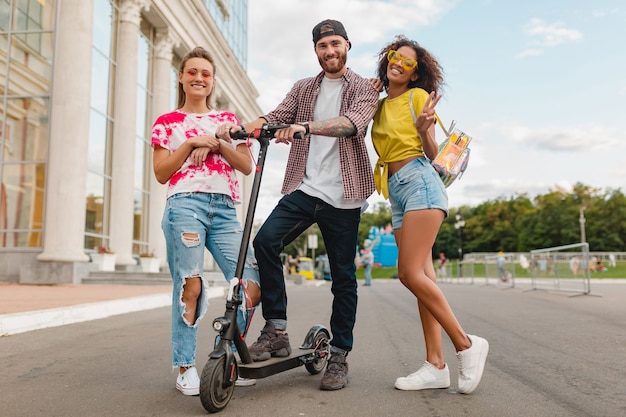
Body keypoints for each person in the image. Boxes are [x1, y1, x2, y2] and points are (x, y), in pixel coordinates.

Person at [223, 19, 379, 391]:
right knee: (265, 242)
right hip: (305, 188)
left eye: (336, 44)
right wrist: (241, 127)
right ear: (316, 51)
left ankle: (339, 354)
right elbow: (276, 116)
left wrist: (305, 127)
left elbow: (352, 124)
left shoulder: (363, 89)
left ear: (347, 46)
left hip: (345, 195)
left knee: (342, 277)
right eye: (323, 46)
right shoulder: (303, 88)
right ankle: (276, 329)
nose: (330, 51)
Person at [370, 35, 489, 394]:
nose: (399, 64)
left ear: (415, 72)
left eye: (408, 63)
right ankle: (435, 364)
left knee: (408, 273)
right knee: (423, 278)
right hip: (397, 193)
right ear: (386, 59)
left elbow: (434, 154)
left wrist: (425, 131)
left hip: (420, 182)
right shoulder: (376, 105)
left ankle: (466, 344)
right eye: (395, 57)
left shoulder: (417, 98)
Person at [151, 46, 261, 395]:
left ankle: (222, 356)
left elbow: (245, 166)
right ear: (181, 77)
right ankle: (185, 366)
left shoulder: (228, 123)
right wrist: (189, 144)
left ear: (212, 81)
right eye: (192, 72)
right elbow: (161, 172)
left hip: (226, 208)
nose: (199, 78)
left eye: (206, 74)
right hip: (185, 206)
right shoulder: (167, 123)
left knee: (251, 285)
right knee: (191, 286)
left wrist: (215, 143)